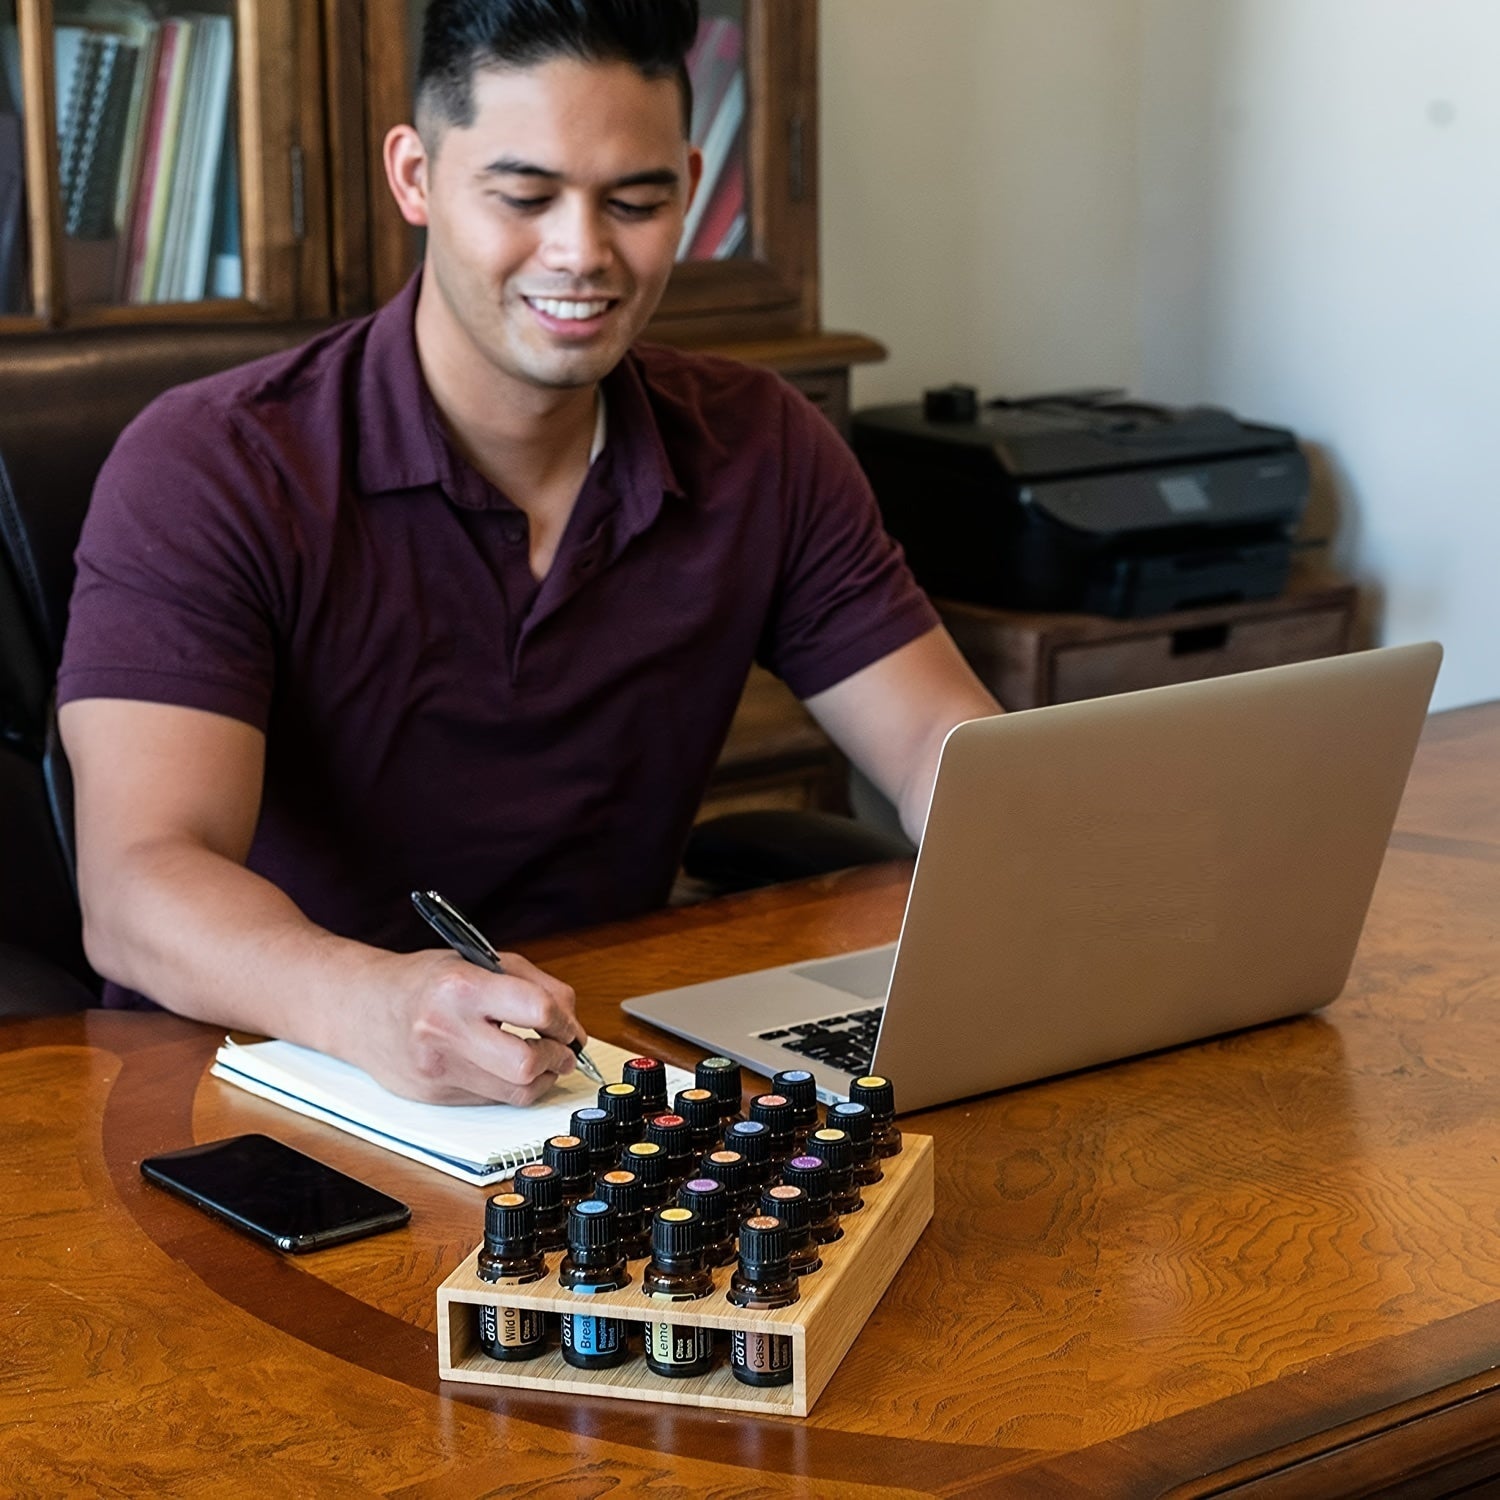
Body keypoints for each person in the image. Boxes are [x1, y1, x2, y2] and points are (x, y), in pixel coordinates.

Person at [56, 0, 1000, 1106]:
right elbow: (138, 882)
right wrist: (371, 1002)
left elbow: (940, 742)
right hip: (258, 1072)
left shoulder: (762, 445)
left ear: (689, 186)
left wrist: (1056, 854)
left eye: (635, 202)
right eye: (524, 196)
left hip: (593, 1065)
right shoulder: (213, 463)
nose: (582, 253)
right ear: (415, 177)